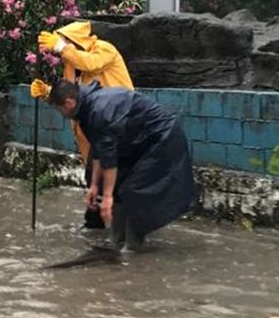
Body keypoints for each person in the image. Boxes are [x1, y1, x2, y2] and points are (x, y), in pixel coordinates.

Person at [44, 79, 196, 251]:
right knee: (117, 187)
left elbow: (109, 158)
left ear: (69, 103)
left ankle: (132, 247)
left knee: (133, 190)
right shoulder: (86, 109)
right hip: (137, 142)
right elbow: (98, 151)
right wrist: (94, 186)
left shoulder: (100, 110)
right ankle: (116, 241)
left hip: (162, 140)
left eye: (59, 109)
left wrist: (107, 197)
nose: (60, 113)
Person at [37, 22, 133, 229]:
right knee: (96, 180)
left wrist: (62, 47)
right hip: (93, 136)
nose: (60, 48)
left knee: (111, 179)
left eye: (64, 43)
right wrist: (47, 93)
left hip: (117, 126)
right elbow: (71, 98)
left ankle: (106, 227)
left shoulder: (104, 49)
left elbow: (92, 64)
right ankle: (103, 229)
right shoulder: (71, 66)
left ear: (76, 42)